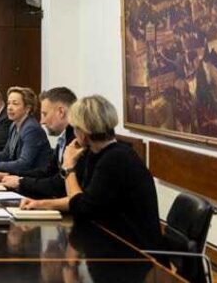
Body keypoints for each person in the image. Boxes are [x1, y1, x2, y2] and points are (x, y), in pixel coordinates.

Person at [20, 95, 162, 250]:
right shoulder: (97, 153)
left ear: (82, 132)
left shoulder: (115, 158)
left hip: (134, 251)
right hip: (110, 241)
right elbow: (84, 199)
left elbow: (82, 208)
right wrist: (40, 204)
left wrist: (69, 167)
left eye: (75, 128)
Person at [0, 87, 78, 198]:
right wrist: (11, 175)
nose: (42, 121)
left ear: (61, 112)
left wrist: (21, 182)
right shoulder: (64, 137)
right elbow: (47, 172)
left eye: (45, 114)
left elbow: (59, 184)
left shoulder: (76, 141)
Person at [0, 87, 51, 174]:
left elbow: (23, 164)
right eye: (8, 103)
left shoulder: (31, 129)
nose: (9, 107)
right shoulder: (13, 125)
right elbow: (6, 154)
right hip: (20, 175)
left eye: (15, 104)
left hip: (34, 178)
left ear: (27, 109)